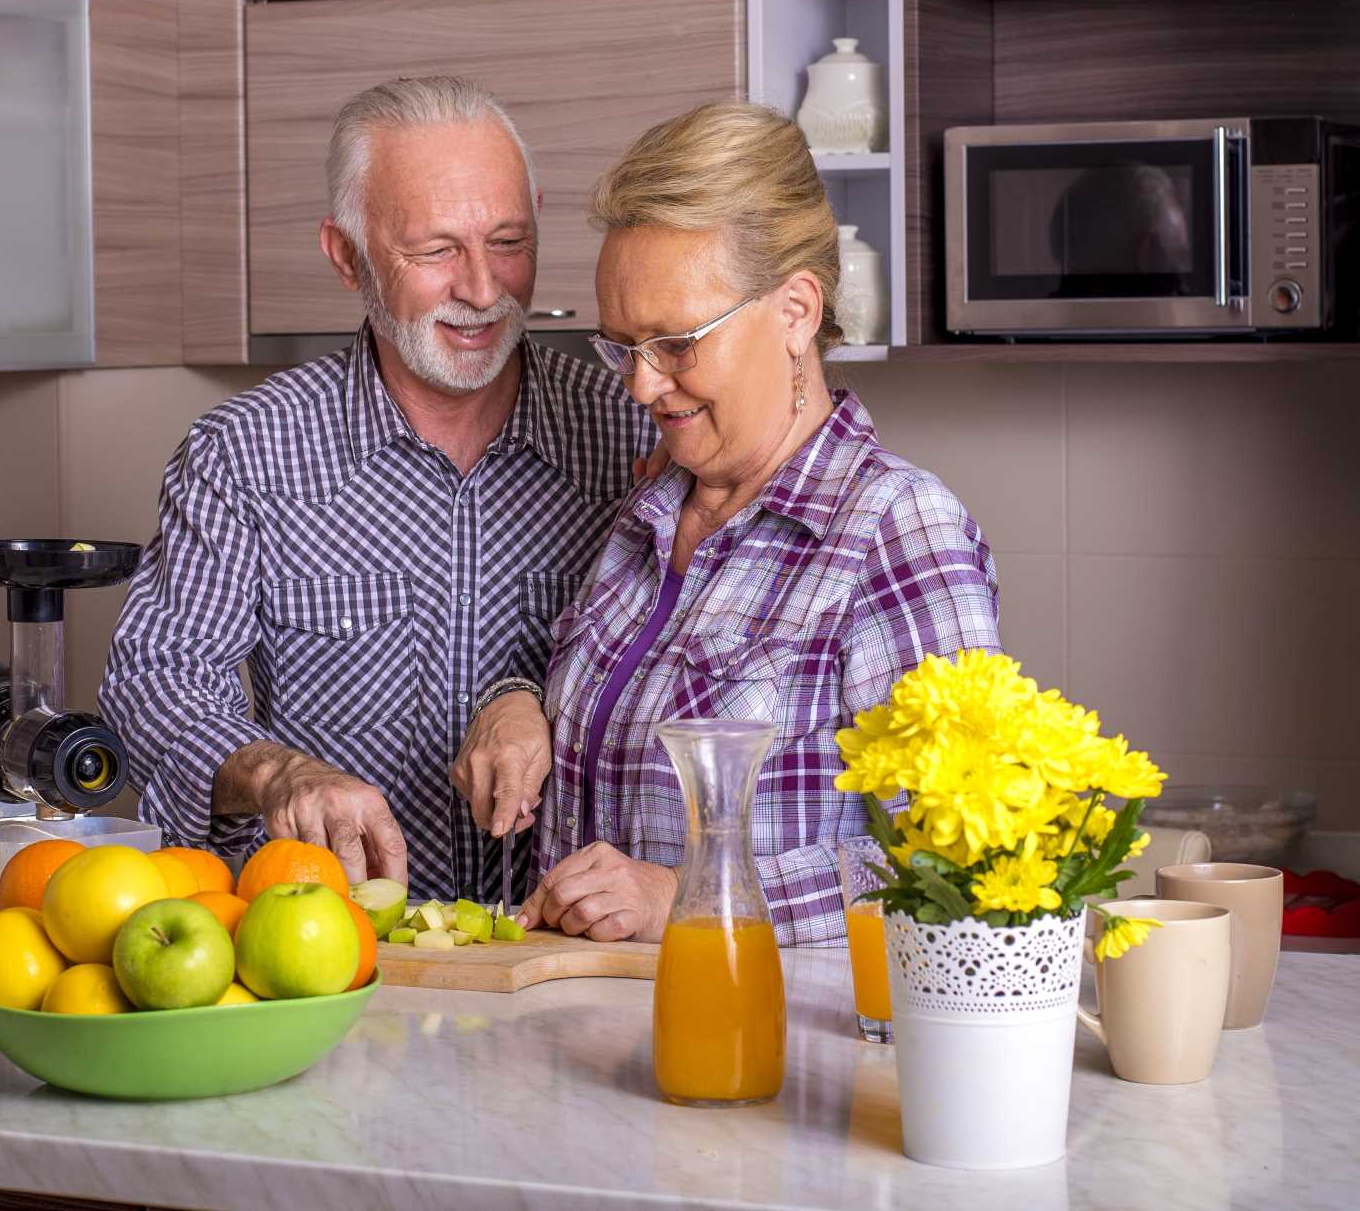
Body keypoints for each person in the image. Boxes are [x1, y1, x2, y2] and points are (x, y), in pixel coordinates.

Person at [451, 101, 1002, 945]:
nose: (640, 387)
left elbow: (958, 860)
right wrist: (521, 704)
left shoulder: (896, 531)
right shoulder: (649, 512)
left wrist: (690, 896)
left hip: (774, 1049)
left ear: (796, 311)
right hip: (584, 1034)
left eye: (675, 344)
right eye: (623, 346)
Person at [99, 77, 657, 901]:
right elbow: (158, 679)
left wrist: (531, 699)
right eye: (435, 251)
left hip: (571, 961)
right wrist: (278, 773)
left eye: (508, 241)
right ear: (347, 255)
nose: (480, 289)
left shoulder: (634, 435)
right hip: (331, 962)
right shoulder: (247, 454)